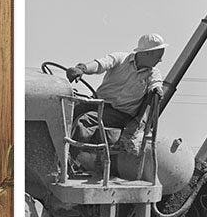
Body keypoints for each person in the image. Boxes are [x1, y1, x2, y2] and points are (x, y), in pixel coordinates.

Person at [66, 34, 168, 165]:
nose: (160, 60)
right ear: (147, 53)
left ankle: (66, 162)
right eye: (158, 55)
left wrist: (156, 90)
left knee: (86, 120)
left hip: (120, 114)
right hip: (98, 103)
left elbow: (156, 86)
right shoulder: (120, 59)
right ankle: (54, 153)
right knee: (67, 112)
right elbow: (100, 64)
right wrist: (82, 69)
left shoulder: (153, 74)